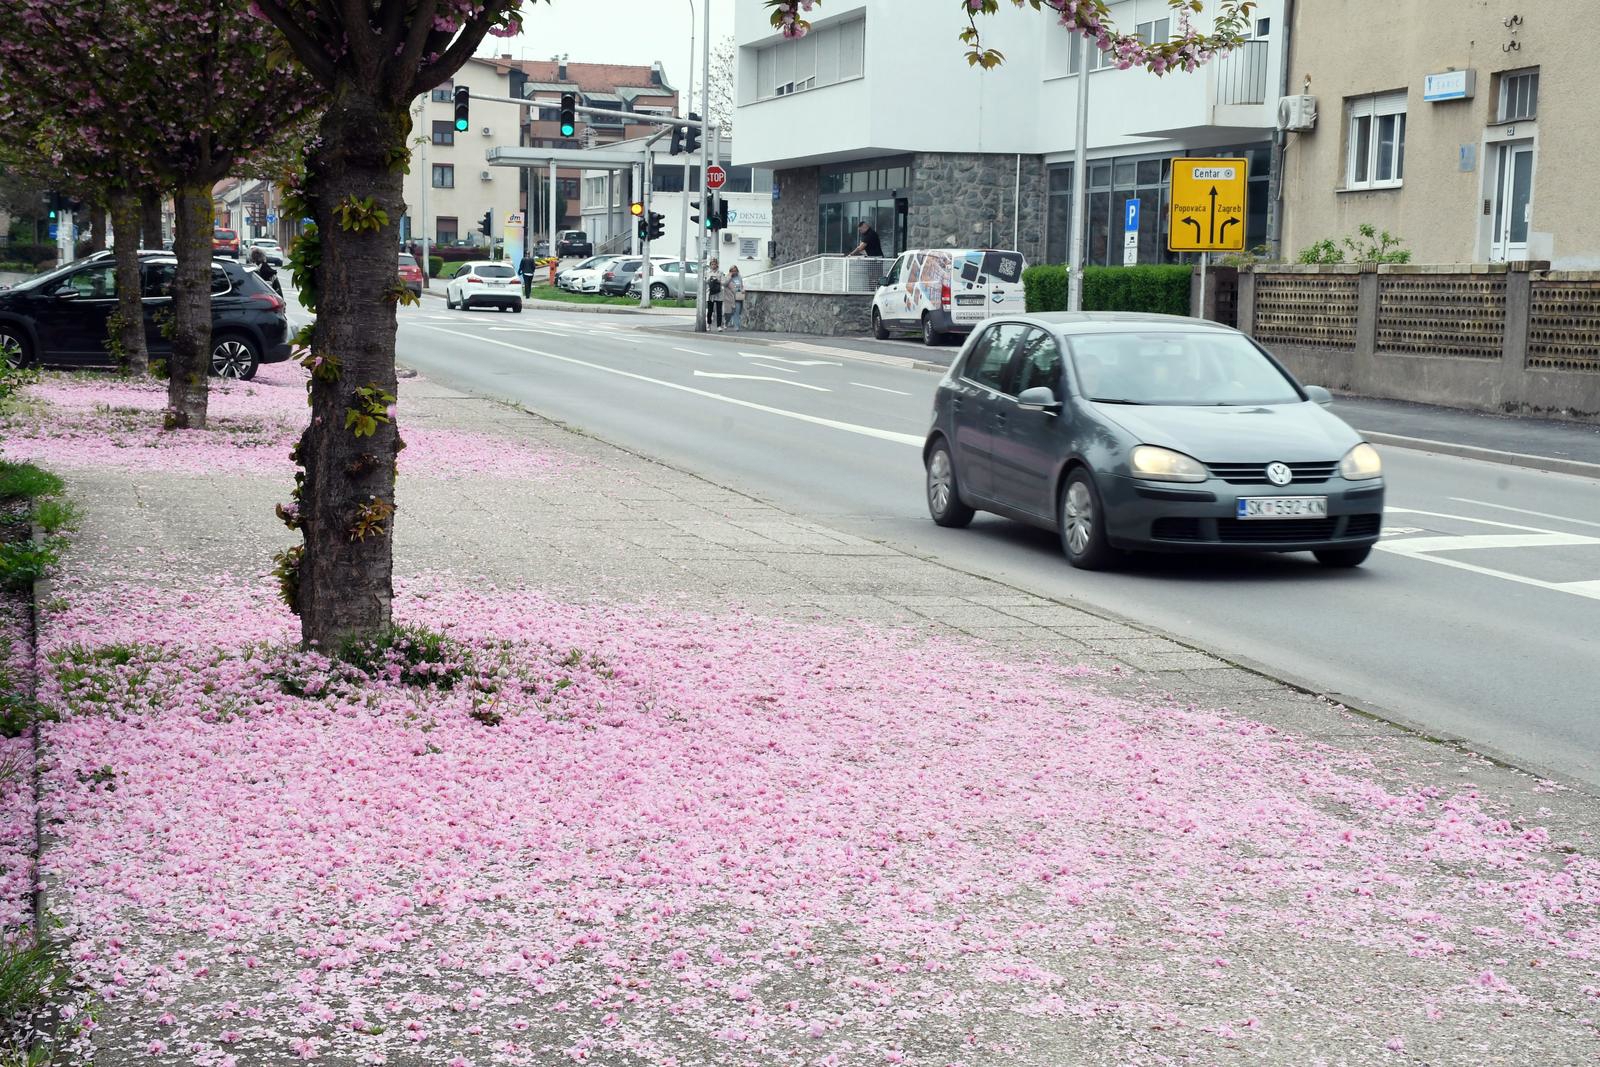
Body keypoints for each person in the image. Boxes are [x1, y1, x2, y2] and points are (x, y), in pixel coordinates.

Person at [726, 265, 745, 331]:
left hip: (738, 296)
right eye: (732, 271)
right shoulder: (728, 277)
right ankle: (733, 324)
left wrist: (742, 290)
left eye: (735, 271)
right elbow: (725, 285)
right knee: (731, 312)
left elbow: (741, 286)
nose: (734, 272)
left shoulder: (739, 277)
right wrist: (729, 277)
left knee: (738, 311)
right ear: (730, 271)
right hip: (730, 296)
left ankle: (735, 325)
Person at [707, 261, 724, 330]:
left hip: (718, 293)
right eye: (712, 264)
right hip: (710, 293)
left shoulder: (720, 273)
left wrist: (717, 280)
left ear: (717, 265)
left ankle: (719, 326)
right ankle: (709, 324)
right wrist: (710, 279)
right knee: (710, 310)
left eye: (715, 264)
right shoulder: (708, 273)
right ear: (710, 265)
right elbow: (705, 281)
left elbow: (723, 282)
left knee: (719, 310)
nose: (713, 266)